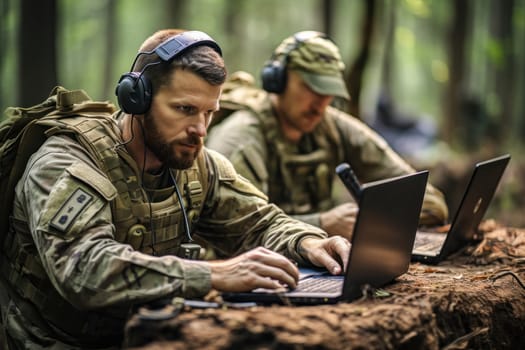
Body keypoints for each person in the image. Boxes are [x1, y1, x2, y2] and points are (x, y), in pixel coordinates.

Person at [0, 29, 350, 349]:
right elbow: (85, 270)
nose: (199, 129)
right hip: (52, 341)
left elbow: (260, 222)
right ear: (136, 98)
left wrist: (309, 242)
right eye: (184, 109)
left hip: (149, 335)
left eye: (209, 112)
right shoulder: (68, 162)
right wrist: (214, 274)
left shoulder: (199, 164)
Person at [206, 30, 449, 239]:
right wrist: (323, 224)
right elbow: (235, 232)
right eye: (311, 88)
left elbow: (427, 201)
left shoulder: (332, 125)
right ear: (277, 80)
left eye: (328, 92)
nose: (321, 104)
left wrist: (370, 221)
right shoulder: (240, 139)